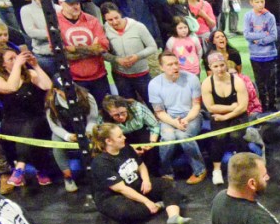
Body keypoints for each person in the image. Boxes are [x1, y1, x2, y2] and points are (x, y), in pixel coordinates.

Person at [89, 123, 191, 224]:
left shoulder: (125, 148)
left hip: (134, 185)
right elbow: (121, 189)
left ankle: (173, 216)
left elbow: (141, 165)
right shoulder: (101, 163)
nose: (124, 137)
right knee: (125, 212)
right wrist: (146, 201)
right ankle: (159, 205)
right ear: (109, 141)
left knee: (168, 185)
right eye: (120, 136)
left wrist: (146, 180)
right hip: (113, 196)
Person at [0, 47, 54, 188]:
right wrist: (17, 66)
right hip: (12, 119)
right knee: (18, 131)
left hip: (35, 117)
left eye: (17, 57)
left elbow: (48, 85)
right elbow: (11, 87)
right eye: (11, 59)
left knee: (30, 128)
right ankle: (34, 169)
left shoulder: (30, 73)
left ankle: (20, 167)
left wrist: (35, 65)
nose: (16, 60)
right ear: (3, 64)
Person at [148, 51, 207, 184]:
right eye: (170, 64)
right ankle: (166, 171)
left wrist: (186, 120)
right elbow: (159, 112)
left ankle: (200, 170)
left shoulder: (192, 79)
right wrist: (174, 123)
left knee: (183, 136)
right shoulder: (154, 84)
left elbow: (196, 106)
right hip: (169, 117)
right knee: (167, 139)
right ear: (161, 67)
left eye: (176, 63)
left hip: (191, 115)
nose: (175, 67)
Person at [56, 0, 112, 107]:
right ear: (61, 3)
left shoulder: (92, 20)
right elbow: (61, 53)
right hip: (75, 78)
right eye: (71, 4)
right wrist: (91, 49)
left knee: (105, 108)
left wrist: (75, 49)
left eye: (77, 2)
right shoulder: (55, 22)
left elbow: (102, 47)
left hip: (99, 75)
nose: (75, 6)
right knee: (84, 111)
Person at [201, 51, 248, 185]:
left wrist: (227, 115)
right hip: (220, 115)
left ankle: (245, 165)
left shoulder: (237, 81)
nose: (220, 69)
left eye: (222, 65)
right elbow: (210, 108)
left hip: (238, 115)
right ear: (210, 67)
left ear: (226, 64)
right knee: (219, 137)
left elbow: (243, 107)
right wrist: (232, 107)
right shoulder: (207, 83)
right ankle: (217, 170)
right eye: (215, 66)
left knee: (235, 135)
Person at [45, 83, 99, 193]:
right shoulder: (51, 102)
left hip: (85, 129)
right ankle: (67, 176)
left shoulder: (87, 96)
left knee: (95, 142)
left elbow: (93, 119)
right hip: (65, 131)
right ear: (57, 90)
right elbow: (54, 126)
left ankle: (95, 173)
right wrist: (68, 136)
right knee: (56, 143)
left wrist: (87, 132)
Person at [102, 3, 157, 106]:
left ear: (120, 14)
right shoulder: (104, 30)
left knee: (153, 104)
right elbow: (102, 53)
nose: (114, 22)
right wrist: (116, 59)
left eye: (116, 18)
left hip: (141, 74)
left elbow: (152, 47)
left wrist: (137, 56)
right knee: (129, 107)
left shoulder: (138, 27)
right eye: (110, 20)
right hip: (120, 76)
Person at [102, 94, 161, 176]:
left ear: (126, 107)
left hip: (141, 133)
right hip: (120, 139)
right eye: (116, 115)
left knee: (150, 150)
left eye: (123, 112)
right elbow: (105, 140)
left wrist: (151, 143)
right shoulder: (103, 119)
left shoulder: (138, 108)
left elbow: (154, 126)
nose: (121, 117)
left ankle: (152, 174)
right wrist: (128, 150)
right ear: (109, 113)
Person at [244, 0, 278, 112]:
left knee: (270, 82)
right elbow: (247, 34)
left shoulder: (270, 17)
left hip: (270, 55)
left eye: (262, 1)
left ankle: (273, 105)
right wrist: (264, 34)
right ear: (251, 2)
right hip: (255, 55)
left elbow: (273, 36)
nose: (260, 4)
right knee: (260, 82)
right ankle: (262, 105)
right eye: (257, 2)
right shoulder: (248, 16)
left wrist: (260, 40)